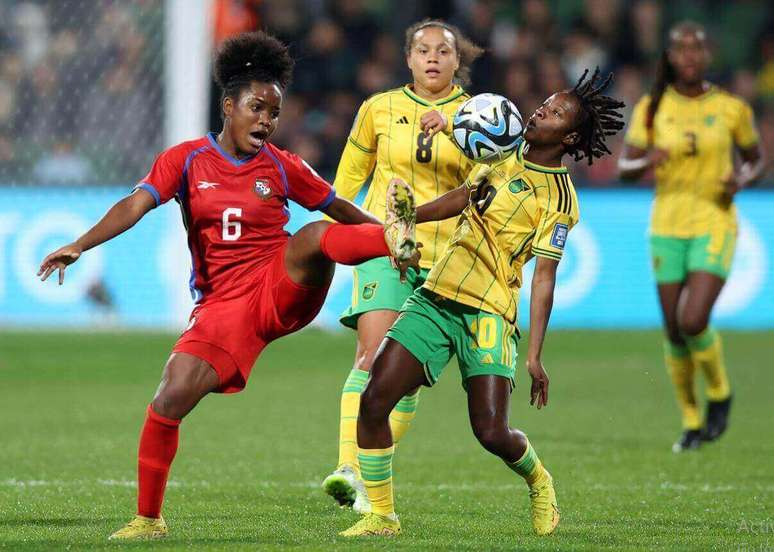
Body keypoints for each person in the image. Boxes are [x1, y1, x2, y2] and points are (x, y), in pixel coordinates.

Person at [37, 31, 418, 541]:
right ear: (228, 106)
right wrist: (81, 244)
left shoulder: (283, 166)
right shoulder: (187, 159)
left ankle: (394, 243)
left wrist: (387, 234)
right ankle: (148, 520)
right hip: (222, 305)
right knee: (168, 398)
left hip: (282, 283)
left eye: (274, 113)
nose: (267, 120)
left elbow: (337, 211)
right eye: (258, 108)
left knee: (314, 236)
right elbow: (135, 204)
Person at [340, 69, 625, 537]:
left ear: (569, 135)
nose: (541, 111)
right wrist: (412, 214)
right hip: (436, 297)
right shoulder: (503, 153)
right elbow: (464, 196)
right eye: (544, 103)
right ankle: (381, 515)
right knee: (374, 399)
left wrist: (534, 355)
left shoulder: (561, 199)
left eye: (554, 113)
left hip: (489, 312)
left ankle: (539, 481)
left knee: (490, 431)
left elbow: (544, 277)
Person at [321, 19, 482, 513]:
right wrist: (334, 233)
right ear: (408, 59)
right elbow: (349, 177)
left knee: (405, 378)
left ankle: (372, 472)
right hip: (384, 246)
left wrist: (456, 132)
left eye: (443, 51)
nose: (432, 57)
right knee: (370, 356)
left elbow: (486, 185)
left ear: (459, 62)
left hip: (449, 258)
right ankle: (348, 468)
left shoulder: (477, 116)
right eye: (423, 50)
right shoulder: (379, 108)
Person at [618, 21, 765, 453]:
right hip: (666, 225)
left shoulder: (732, 109)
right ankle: (691, 419)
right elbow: (624, 168)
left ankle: (719, 392)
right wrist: (648, 160)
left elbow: (757, 160)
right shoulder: (652, 107)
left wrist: (741, 178)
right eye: (681, 49)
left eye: (697, 49)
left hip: (714, 221)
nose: (689, 56)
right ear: (670, 57)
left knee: (693, 318)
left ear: (708, 55)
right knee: (674, 331)